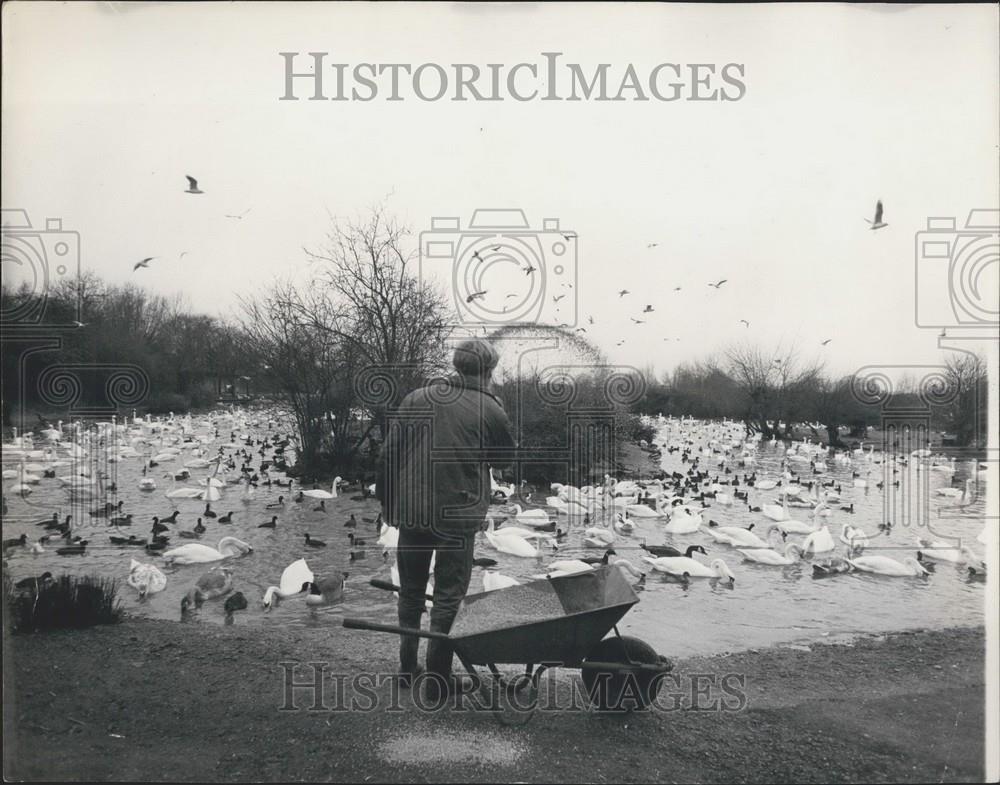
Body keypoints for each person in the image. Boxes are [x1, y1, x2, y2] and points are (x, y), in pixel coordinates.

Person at [378, 338, 515, 702]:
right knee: (448, 597)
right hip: (457, 516)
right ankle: (438, 682)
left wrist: (390, 507)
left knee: (409, 593)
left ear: (457, 366)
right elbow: (504, 462)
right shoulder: (490, 408)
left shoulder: (415, 398)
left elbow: (388, 456)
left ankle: (408, 670)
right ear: (488, 371)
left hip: (412, 513)